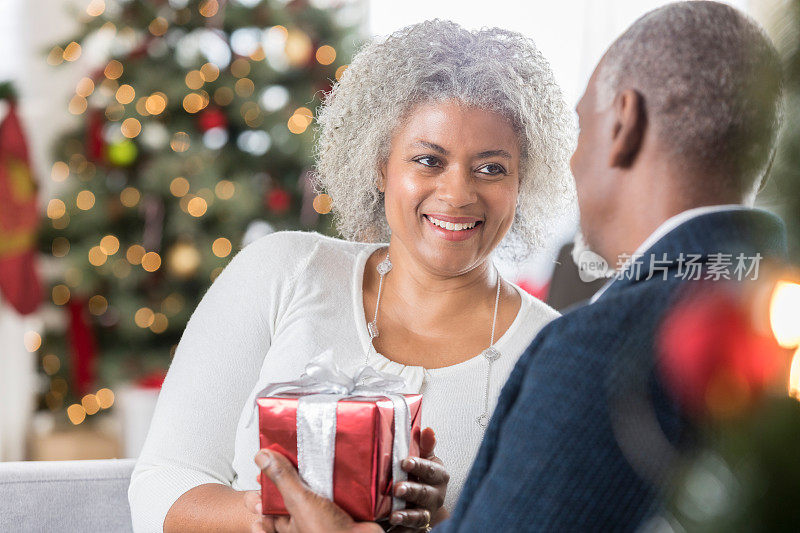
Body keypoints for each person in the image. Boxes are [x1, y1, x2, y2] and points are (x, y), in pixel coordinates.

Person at [248, 2, 788, 531]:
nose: (574, 163)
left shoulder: (597, 352)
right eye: (428, 159)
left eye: (584, 127)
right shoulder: (774, 317)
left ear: (624, 122)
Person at [127, 20, 576, 532]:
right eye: (428, 160)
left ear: (525, 179)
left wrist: (444, 523)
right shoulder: (282, 272)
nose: (457, 194)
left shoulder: (552, 353)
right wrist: (278, 519)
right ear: (382, 165)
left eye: (492, 168)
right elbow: (162, 483)